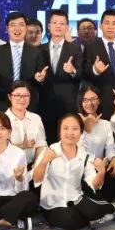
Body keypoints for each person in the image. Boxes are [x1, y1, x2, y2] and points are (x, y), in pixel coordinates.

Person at [34, 112, 115, 229]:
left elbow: (94, 186)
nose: (70, 133)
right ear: (59, 132)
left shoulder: (86, 156)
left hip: (76, 201)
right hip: (52, 205)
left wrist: (101, 172)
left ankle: (112, 208)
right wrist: (44, 161)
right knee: (69, 220)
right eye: (65, 128)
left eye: (75, 129)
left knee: (89, 210)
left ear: (81, 132)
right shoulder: (49, 151)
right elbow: (36, 179)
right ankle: (96, 217)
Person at [39, 9, 84, 143]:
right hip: (45, 103)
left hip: (68, 104)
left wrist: (72, 70)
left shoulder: (75, 49)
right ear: (49, 26)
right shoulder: (39, 49)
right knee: (47, 141)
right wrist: (39, 78)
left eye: (62, 23)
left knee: (67, 141)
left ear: (67, 27)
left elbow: (81, 74)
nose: (58, 26)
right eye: (55, 23)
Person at [0, 12, 47, 112]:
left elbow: (41, 81)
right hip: (3, 103)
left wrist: (40, 79)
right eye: (13, 25)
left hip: (28, 104)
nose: (17, 28)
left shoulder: (37, 52)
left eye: (21, 25)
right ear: (7, 29)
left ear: (26, 28)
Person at [82, 9, 115, 99]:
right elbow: (84, 74)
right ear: (100, 26)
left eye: (114, 23)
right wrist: (95, 70)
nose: (110, 27)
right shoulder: (90, 47)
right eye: (107, 23)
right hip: (101, 100)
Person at [5, 81, 47, 167]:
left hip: (31, 166)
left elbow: (41, 145)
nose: (22, 99)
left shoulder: (36, 118)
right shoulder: (2, 120)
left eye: (26, 95)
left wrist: (35, 167)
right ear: (9, 97)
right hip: (8, 167)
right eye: (17, 95)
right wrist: (21, 145)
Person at [77, 85, 115, 163]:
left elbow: (110, 147)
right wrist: (87, 130)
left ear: (98, 101)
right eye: (85, 100)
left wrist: (114, 158)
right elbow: (76, 149)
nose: (89, 103)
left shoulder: (106, 124)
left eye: (93, 99)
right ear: (81, 103)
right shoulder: (75, 123)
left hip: (100, 167)